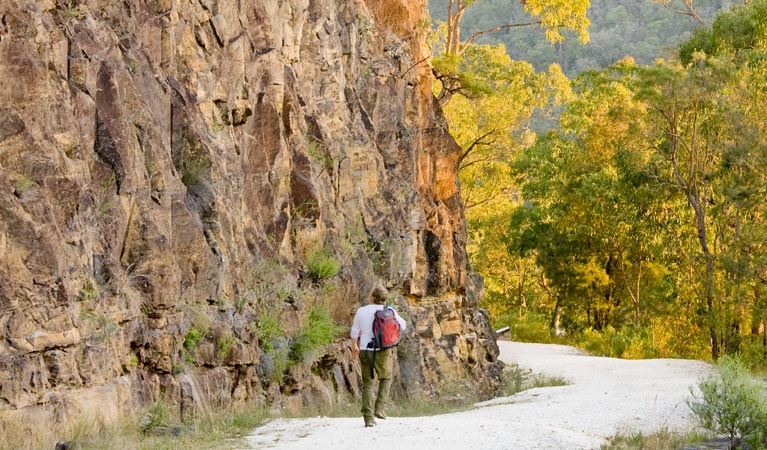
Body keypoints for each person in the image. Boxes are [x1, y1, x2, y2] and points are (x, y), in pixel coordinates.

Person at [350, 286, 407, 427]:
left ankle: (368, 419)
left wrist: (354, 346)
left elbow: (354, 331)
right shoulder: (389, 311)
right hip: (383, 350)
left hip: (365, 349)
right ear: (384, 298)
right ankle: (380, 409)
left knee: (368, 384)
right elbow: (403, 325)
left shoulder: (361, 311)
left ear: (371, 297)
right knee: (386, 378)